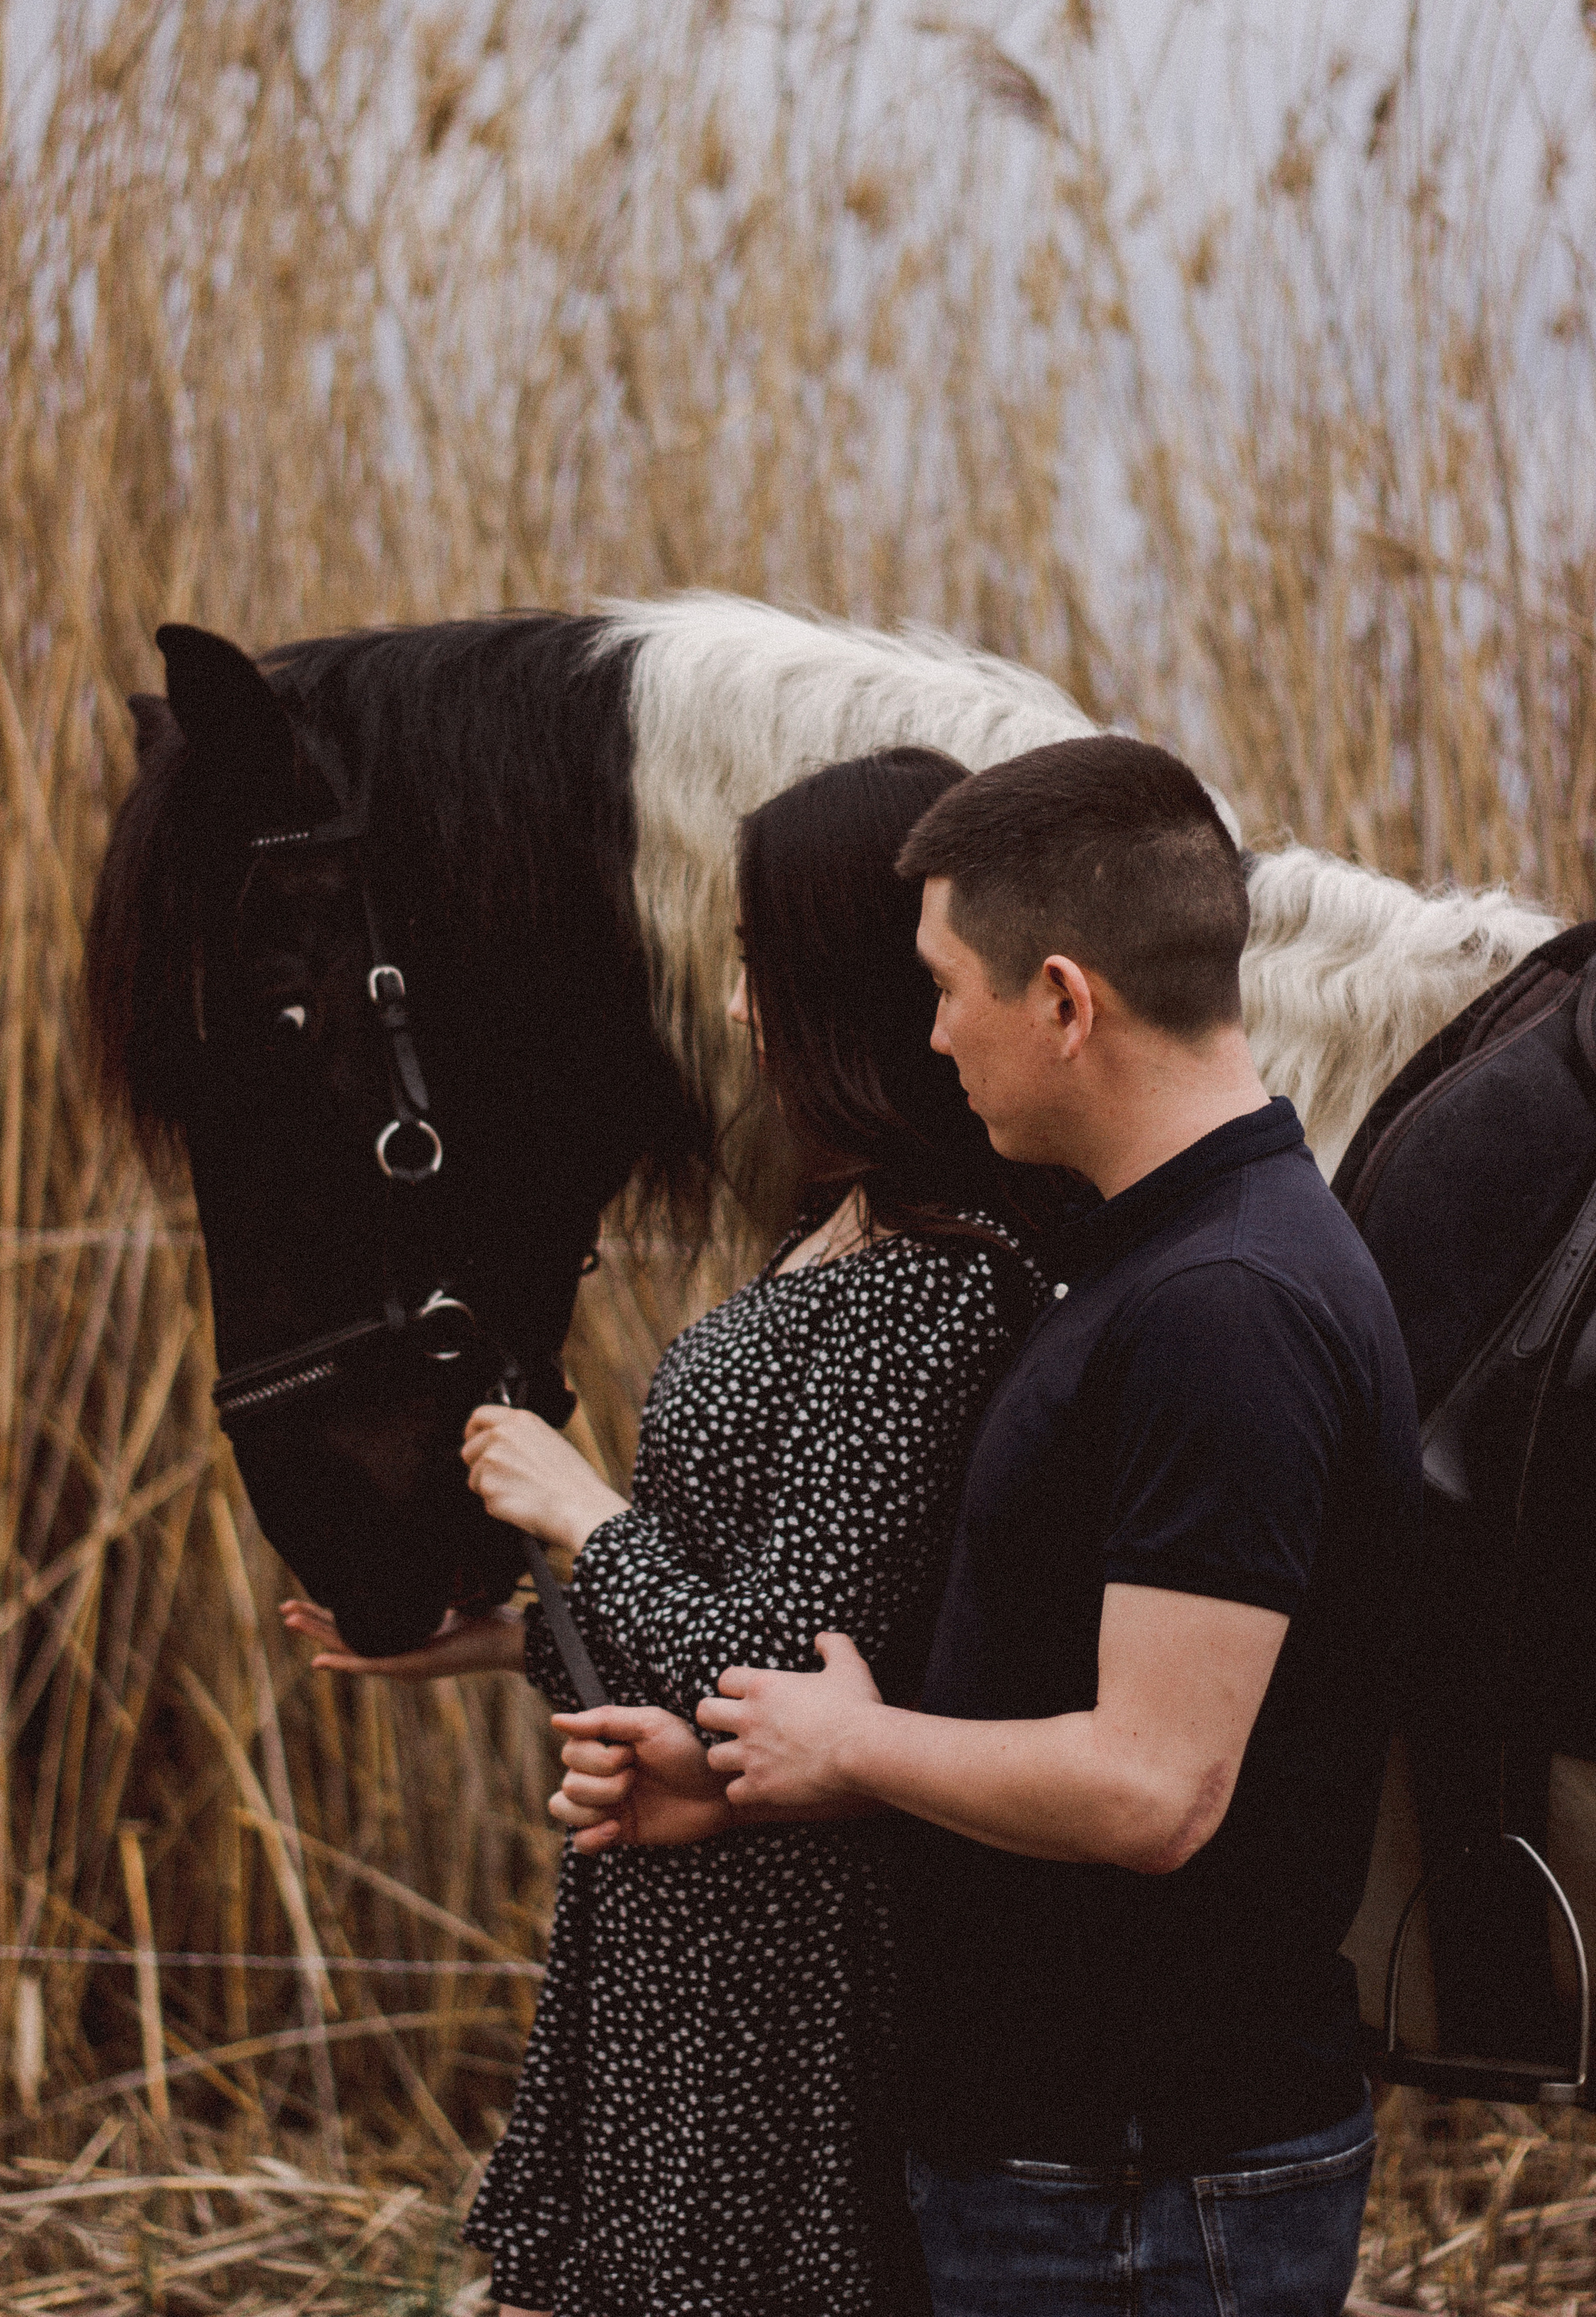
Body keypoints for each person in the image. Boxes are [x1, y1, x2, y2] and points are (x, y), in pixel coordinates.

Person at [561, 736, 1421, 2317]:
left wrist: (851, 1750)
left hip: (1143, 2189)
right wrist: (752, 1795)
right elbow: (1034, 1695)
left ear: (1064, 1001)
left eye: (947, 985)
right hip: (1074, 2170)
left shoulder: (1220, 1307)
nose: (931, 1029)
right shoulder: (1150, 1263)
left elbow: (1151, 1788)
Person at [285, 746, 1055, 2317]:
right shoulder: (834, 1234)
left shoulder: (928, 1287)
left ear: (844, 983)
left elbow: (788, 1681)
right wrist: (502, 1646)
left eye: (753, 964)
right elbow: (724, 1610)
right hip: (682, 1932)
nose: (727, 1011)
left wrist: (582, 1516)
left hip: (768, 1976)